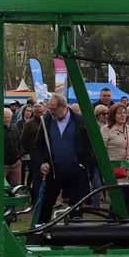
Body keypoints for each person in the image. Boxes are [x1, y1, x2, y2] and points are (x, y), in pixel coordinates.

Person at [31, 93, 93, 223]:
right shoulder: (46, 121)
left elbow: (90, 146)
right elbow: (38, 146)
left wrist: (83, 164)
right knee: (46, 205)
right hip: (53, 172)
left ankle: (76, 230)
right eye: (49, 108)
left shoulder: (80, 121)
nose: (50, 112)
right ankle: (41, 230)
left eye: (53, 109)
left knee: (76, 206)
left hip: (76, 172)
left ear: (63, 107)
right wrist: (42, 162)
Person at [101, 102, 129, 216]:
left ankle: (124, 225)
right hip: (114, 172)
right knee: (118, 200)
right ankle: (112, 224)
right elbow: (102, 151)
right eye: (119, 113)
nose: (123, 115)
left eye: (124, 113)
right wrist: (108, 167)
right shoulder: (106, 129)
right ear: (113, 115)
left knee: (128, 200)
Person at [20, 104, 44, 187]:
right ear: (34, 113)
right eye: (38, 112)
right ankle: (29, 189)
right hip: (32, 153)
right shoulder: (29, 124)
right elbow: (24, 139)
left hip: (42, 153)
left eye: (41, 112)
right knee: (33, 173)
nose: (40, 114)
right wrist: (27, 152)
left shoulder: (44, 122)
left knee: (38, 174)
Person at [3, 107, 23, 186]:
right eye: (5, 117)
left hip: (15, 163)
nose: (7, 119)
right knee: (1, 186)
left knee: (16, 186)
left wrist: (19, 156)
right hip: (2, 164)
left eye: (8, 117)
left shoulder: (15, 127)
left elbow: (19, 142)